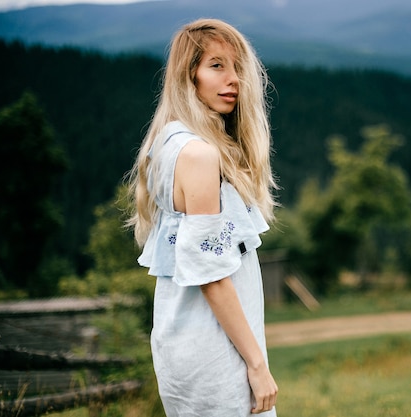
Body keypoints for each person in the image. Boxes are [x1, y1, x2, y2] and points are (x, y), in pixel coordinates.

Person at [125, 18, 279, 416]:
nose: (233, 80)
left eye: (237, 67)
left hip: (192, 340)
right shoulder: (198, 154)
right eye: (216, 65)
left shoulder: (170, 143)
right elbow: (211, 275)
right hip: (214, 352)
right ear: (187, 75)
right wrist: (257, 365)